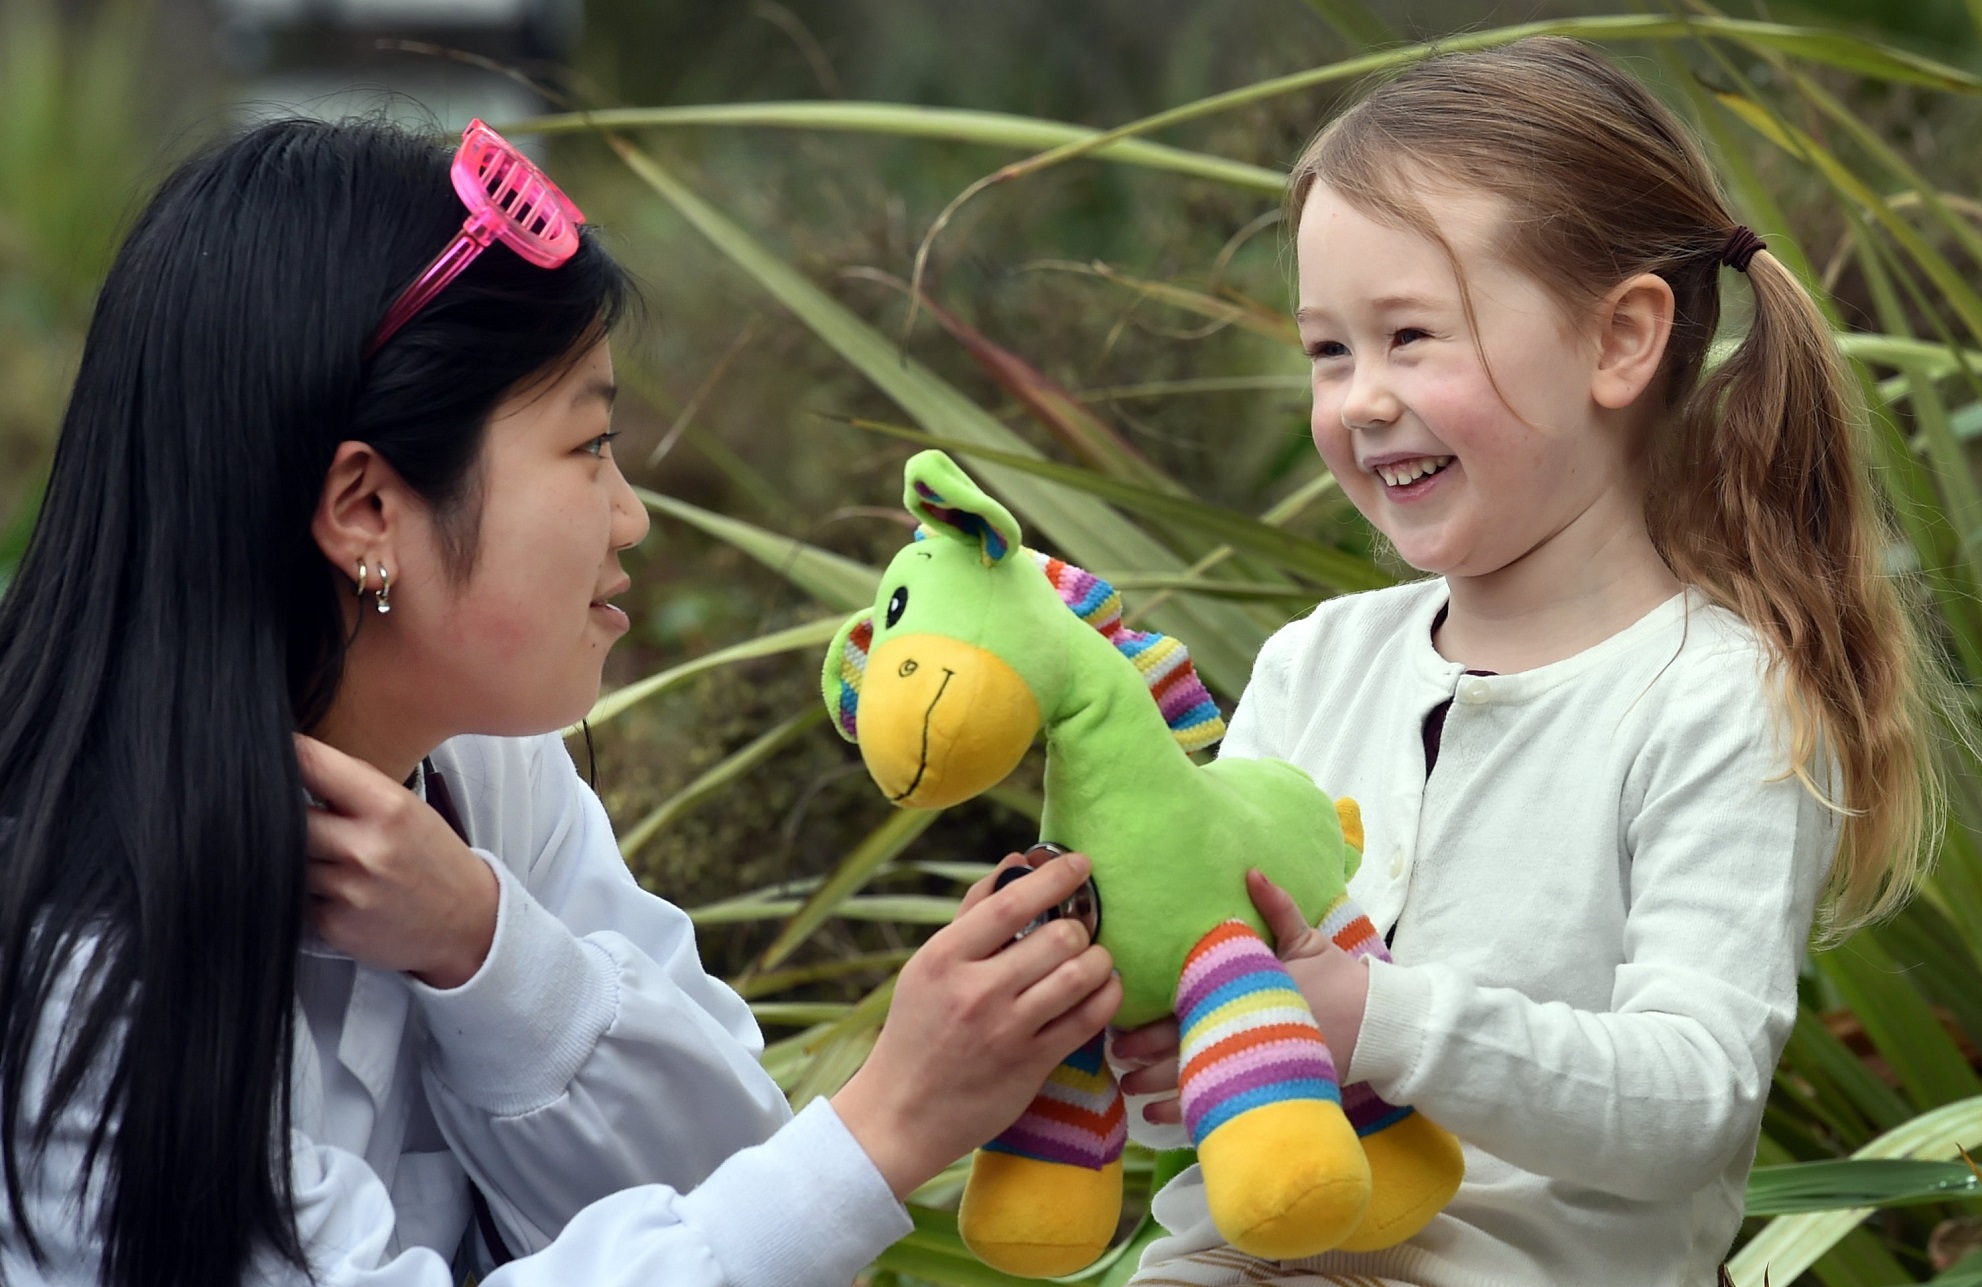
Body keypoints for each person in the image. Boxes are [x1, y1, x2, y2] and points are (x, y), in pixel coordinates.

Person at [0, 118, 1120, 1287]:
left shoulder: (474, 769)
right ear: (366, 510)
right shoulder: (77, 961)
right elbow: (774, 1210)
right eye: (589, 444)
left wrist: (482, 943)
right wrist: (885, 1126)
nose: (630, 515)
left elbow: (722, 1177)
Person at [1107, 37, 1955, 1286]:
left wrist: (1372, 1024)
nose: (1357, 400)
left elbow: (1689, 1101)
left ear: (1618, 341)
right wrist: (1129, 1005)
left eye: (1409, 336)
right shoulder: (1312, 667)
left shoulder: (1716, 703)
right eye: (1326, 350)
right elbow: (1179, 1105)